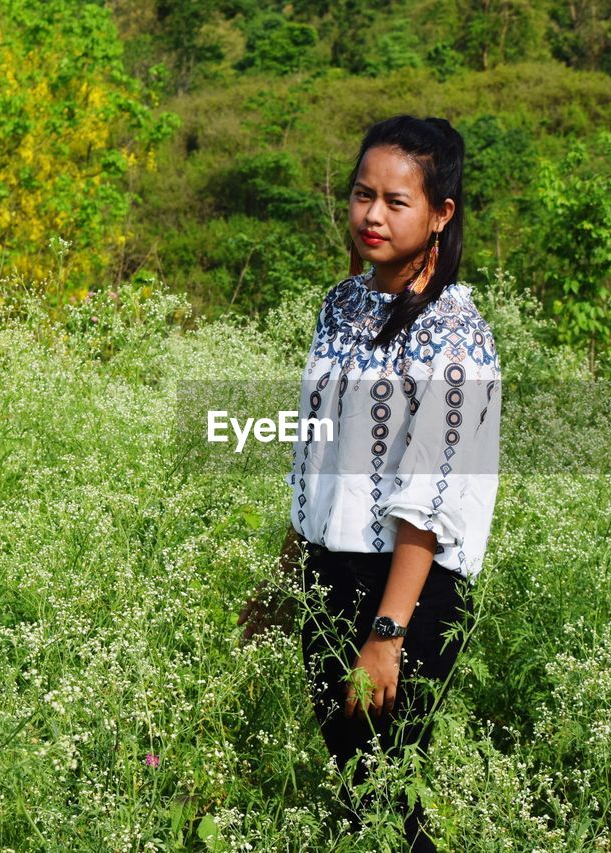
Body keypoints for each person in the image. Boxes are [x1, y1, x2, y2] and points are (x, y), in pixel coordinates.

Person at [237, 114, 502, 851]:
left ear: (442, 214)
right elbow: (316, 452)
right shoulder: (342, 305)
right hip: (331, 571)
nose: (372, 216)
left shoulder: (454, 334)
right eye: (362, 195)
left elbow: (430, 499)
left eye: (396, 201)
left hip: (409, 589)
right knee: (359, 788)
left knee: (383, 789)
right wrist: (286, 578)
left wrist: (386, 635)